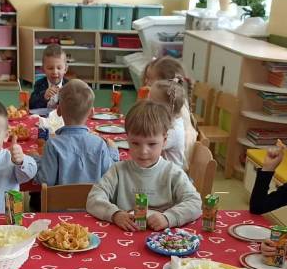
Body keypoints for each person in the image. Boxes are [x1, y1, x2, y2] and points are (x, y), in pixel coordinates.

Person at [86, 99, 201, 231]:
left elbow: (195, 203)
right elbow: (93, 198)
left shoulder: (173, 173)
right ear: (127, 139)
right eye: (135, 143)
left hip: (162, 238)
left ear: (164, 140)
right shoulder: (117, 171)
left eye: (152, 144)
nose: (143, 151)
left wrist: (169, 217)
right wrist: (115, 214)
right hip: (124, 235)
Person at [35, 79, 118, 188]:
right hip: (94, 199)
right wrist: (113, 151)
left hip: (61, 200)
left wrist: (36, 160)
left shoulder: (52, 144)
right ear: (91, 112)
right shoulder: (99, 144)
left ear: (58, 111)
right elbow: (111, 175)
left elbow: (45, 180)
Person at [142, 56, 197, 164]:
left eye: (150, 78)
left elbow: (148, 143)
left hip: (171, 171)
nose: (146, 81)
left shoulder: (174, 121)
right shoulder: (171, 107)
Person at [148, 76, 188, 169]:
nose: (146, 103)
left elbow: (148, 145)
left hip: (169, 175)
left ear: (167, 109)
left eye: (151, 102)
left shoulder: (173, 130)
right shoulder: (167, 120)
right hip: (159, 169)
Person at [29, 44, 68, 111]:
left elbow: (75, 107)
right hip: (42, 116)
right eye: (50, 68)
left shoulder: (69, 85)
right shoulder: (39, 84)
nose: (55, 72)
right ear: (43, 69)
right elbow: (31, 106)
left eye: (59, 68)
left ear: (65, 69)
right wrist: (44, 96)